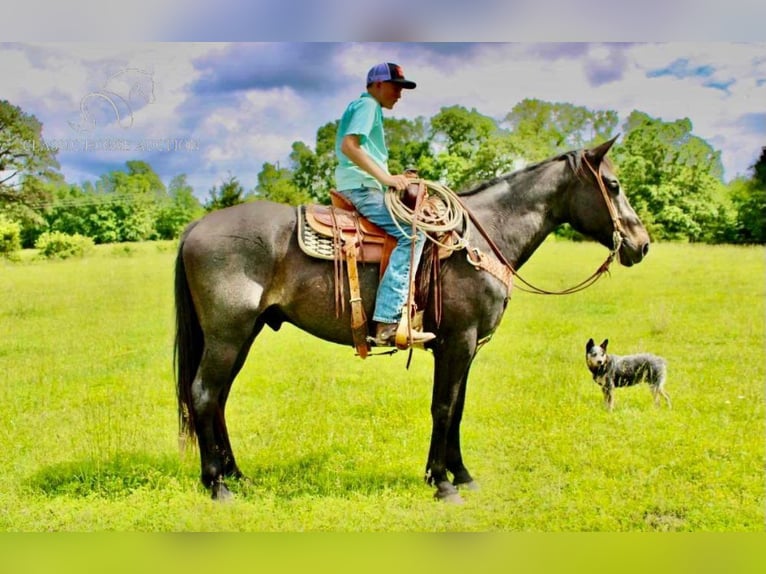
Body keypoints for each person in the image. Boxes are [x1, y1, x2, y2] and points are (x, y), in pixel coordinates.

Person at [334, 62, 436, 346]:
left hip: (363, 185)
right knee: (413, 234)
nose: (399, 95)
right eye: (396, 87)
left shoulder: (366, 107)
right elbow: (350, 146)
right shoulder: (368, 107)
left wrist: (391, 177)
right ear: (377, 85)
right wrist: (387, 178)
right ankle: (388, 321)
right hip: (361, 188)